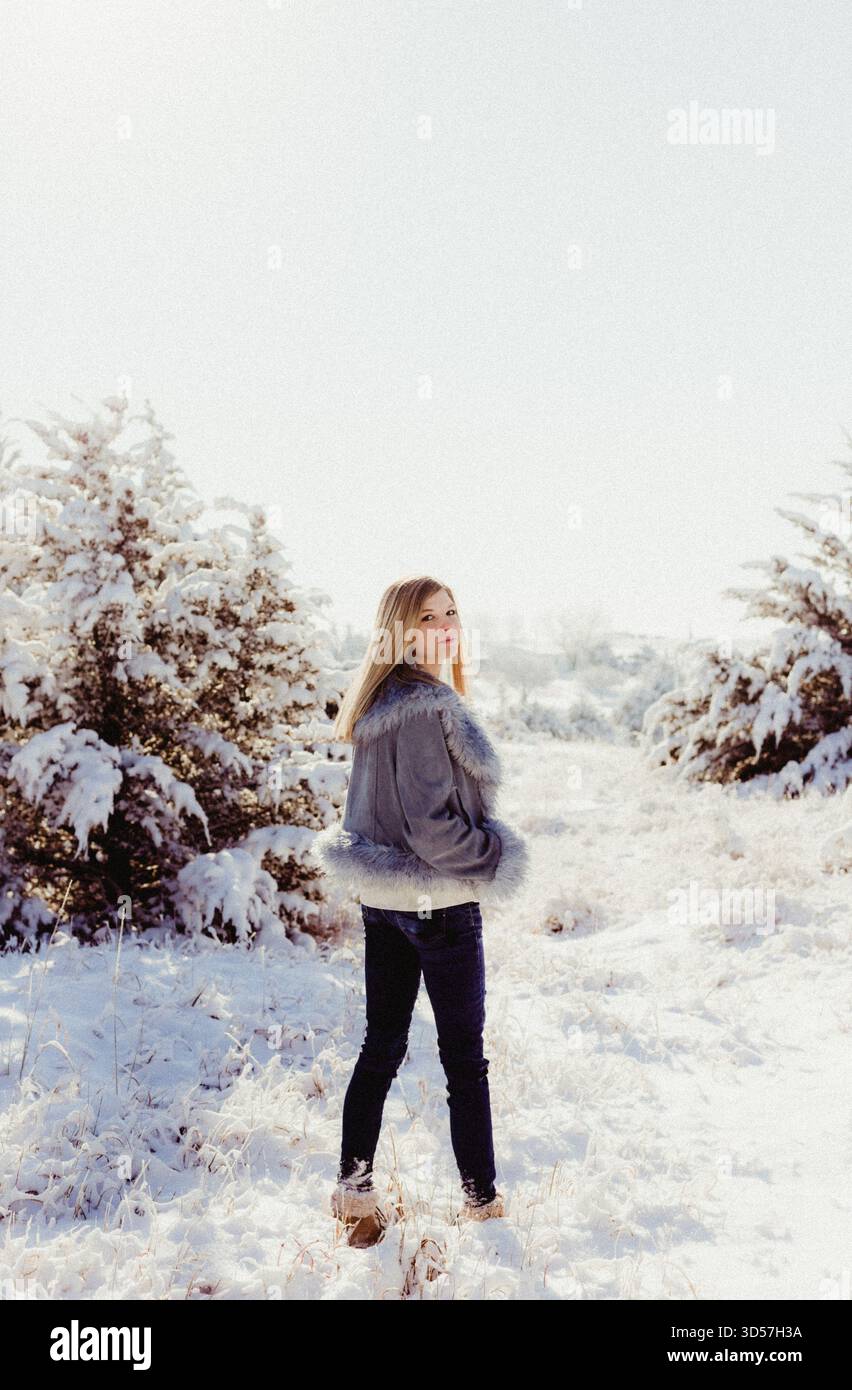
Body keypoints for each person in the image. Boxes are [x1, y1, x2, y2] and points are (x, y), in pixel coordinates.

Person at [314, 575, 529, 1247]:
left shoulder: (377, 703)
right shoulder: (429, 706)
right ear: (399, 631)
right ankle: (483, 1207)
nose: (442, 626)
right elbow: (433, 829)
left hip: (387, 904)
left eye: (450, 612)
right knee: (465, 1060)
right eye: (426, 616)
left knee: (380, 1047)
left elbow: (382, 819)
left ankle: (353, 1195)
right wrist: (496, 853)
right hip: (440, 906)